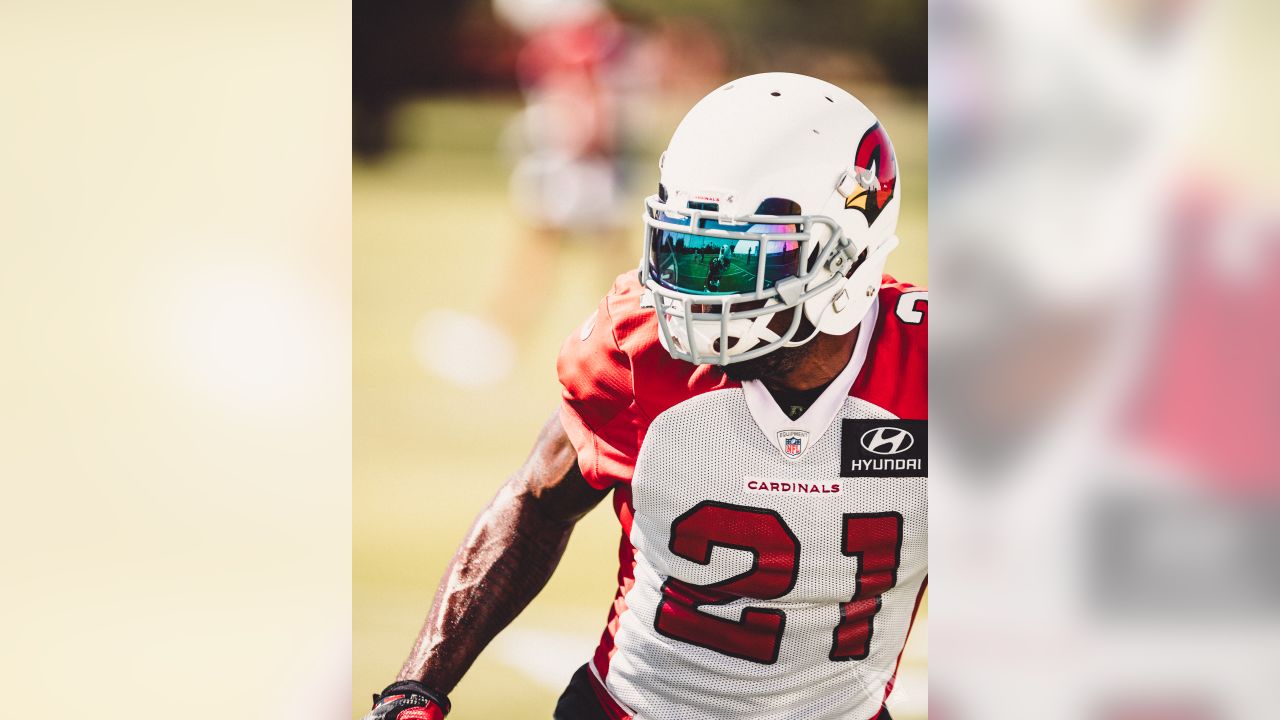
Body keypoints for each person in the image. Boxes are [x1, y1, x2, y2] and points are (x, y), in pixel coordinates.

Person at [363, 72, 927, 720]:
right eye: (686, 251)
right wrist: (418, 688)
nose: (697, 295)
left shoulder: (943, 372)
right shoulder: (642, 347)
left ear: (847, 257)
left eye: (738, 260)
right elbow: (538, 504)